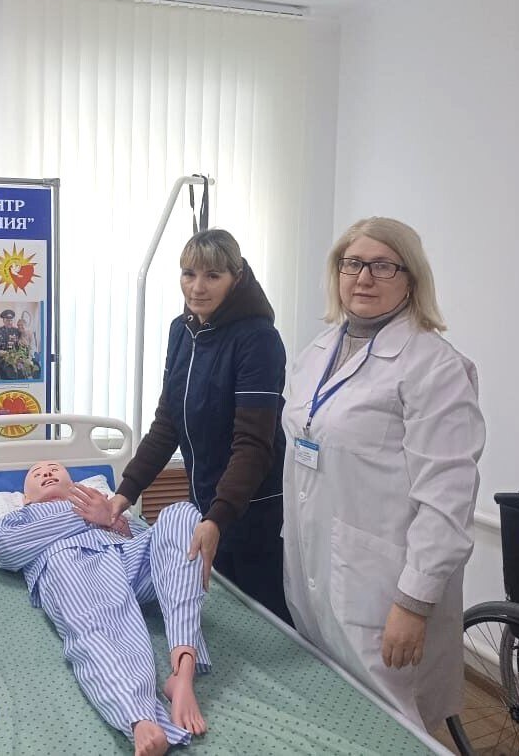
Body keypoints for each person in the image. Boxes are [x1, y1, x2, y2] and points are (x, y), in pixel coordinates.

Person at [281, 217, 484, 731]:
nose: (364, 278)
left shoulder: (434, 367)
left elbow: (446, 499)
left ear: (411, 278)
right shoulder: (316, 352)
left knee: (391, 727)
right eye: (352, 264)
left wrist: (413, 603)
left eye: (383, 266)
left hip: (383, 586)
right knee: (330, 712)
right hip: (315, 564)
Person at [109, 229, 290, 622]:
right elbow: (168, 422)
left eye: (212, 276)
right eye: (188, 274)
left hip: (252, 507)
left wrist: (218, 517)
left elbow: (253, 443)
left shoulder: (258, 340)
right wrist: (126, 492)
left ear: (236, 278)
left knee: (261, 619)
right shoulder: (183, 331)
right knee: (217, 612)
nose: (197, 287)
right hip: (206, 500)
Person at [0, 462, 210, 756]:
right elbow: (5, 549)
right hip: (73, 561)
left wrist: (116, 520)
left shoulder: (103, 503)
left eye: (54, 469)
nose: (47, 473)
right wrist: (91, 516)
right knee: (95, 625)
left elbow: (154, 540)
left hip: (130, 560)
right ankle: (139, 717)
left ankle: (182, 670)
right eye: (37, 474)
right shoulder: (21, 516)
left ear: (73, 484)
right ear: (26, 497)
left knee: (182, 514)